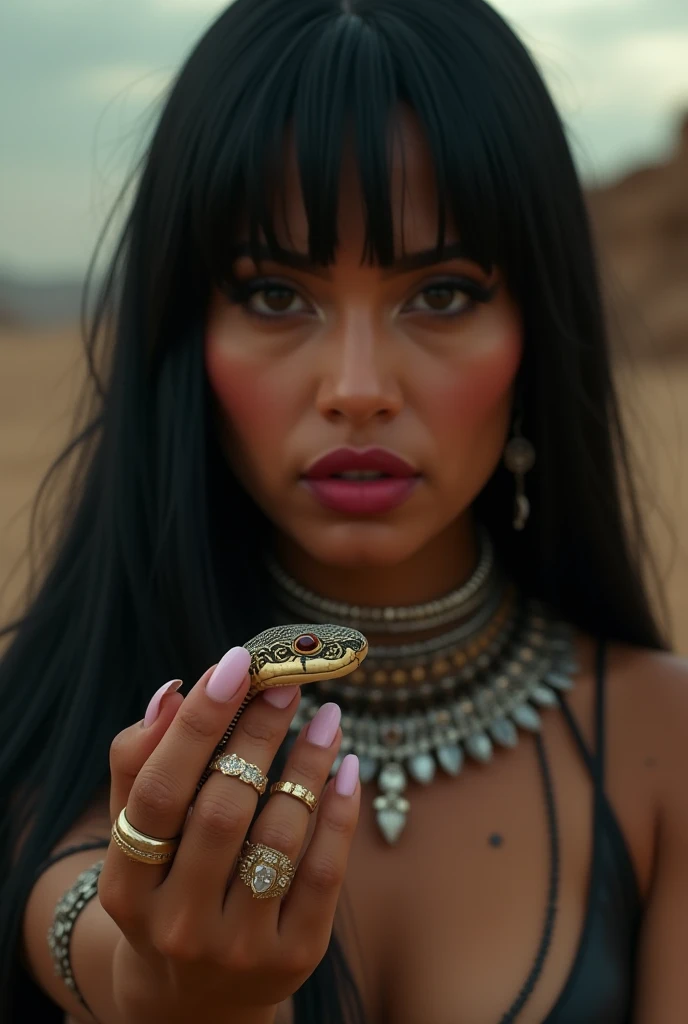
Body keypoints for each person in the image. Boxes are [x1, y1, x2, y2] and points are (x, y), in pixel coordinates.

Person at [1, 0, 688, 1020]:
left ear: (536, 333)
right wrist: (171, 994)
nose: (356, 387)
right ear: (183, 343)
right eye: (275, 295)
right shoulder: (72, 733)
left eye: (443, 293)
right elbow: (101, 936)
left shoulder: (658, 741)